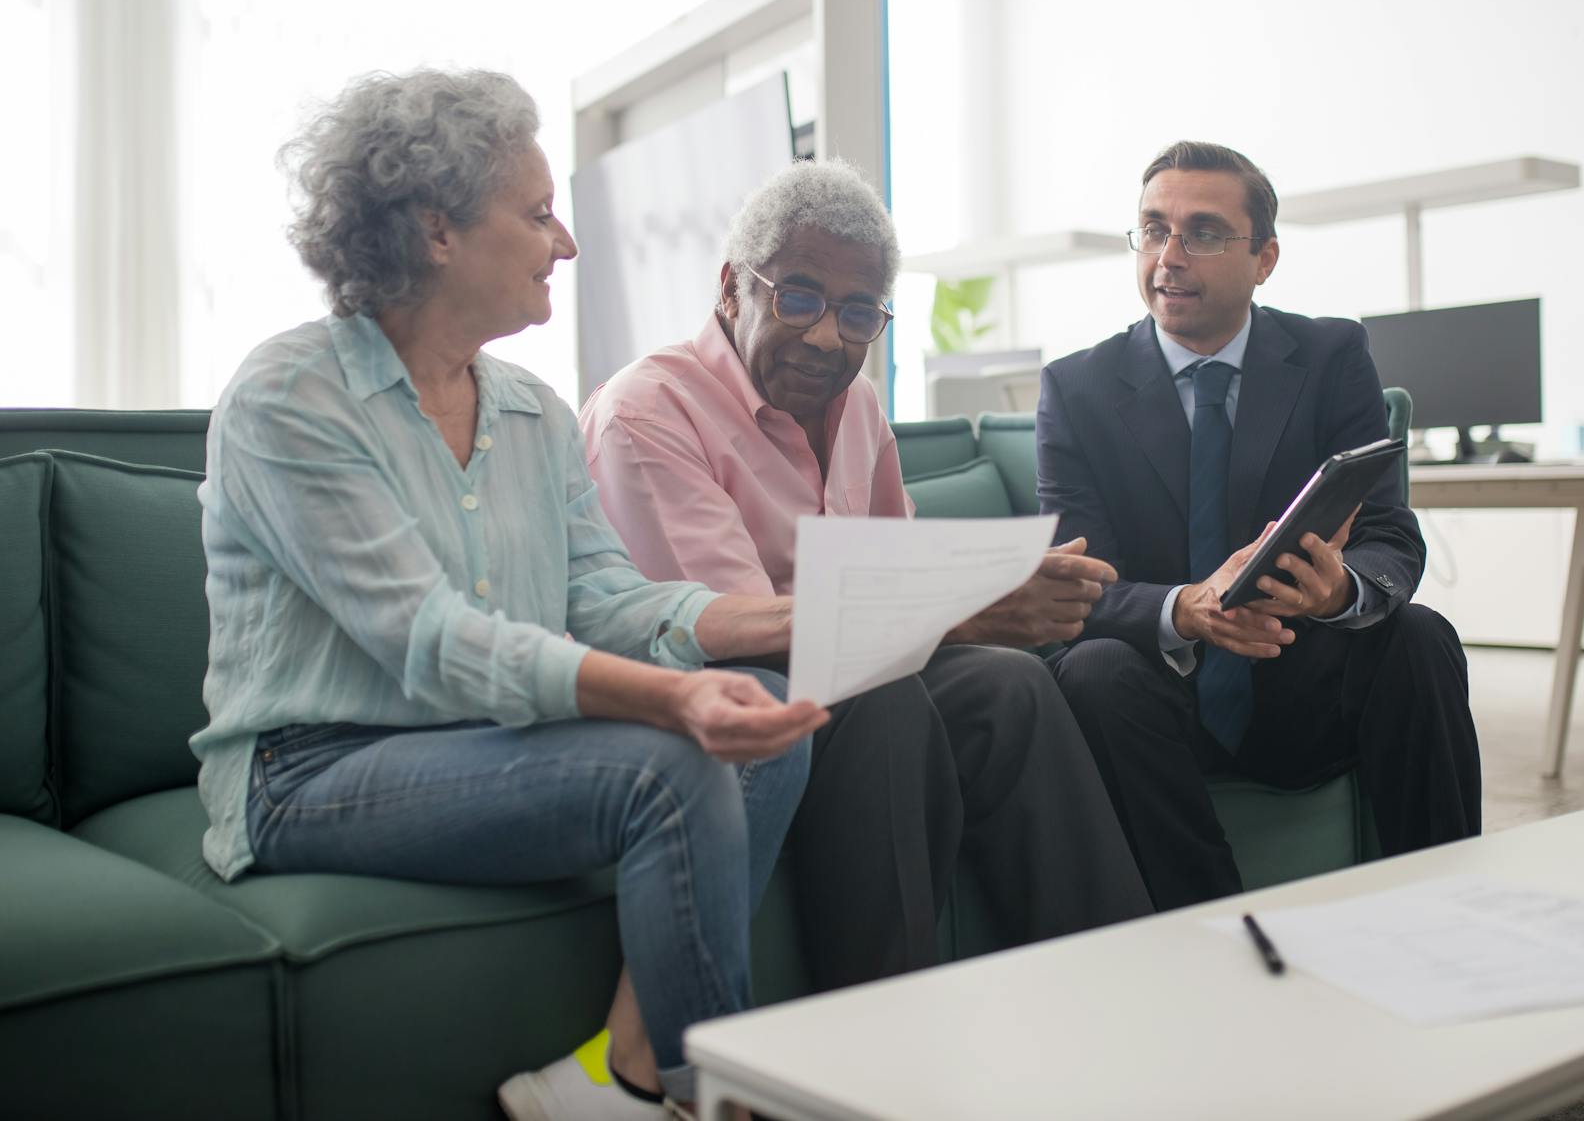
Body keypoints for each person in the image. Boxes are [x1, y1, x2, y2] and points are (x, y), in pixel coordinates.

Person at [192, 68, 825, 1121]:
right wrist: (668, 699)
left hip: (480, 741)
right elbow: (432, 637)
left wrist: (792, 619)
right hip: (310, 768)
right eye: (536, 214)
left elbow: (610, 598)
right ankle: (710, 1098)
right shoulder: (287, 396)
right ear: (437, 230)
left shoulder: (530, 409)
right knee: (674, 760)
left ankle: (612, 1079)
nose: (564, 243)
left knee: (770, 725)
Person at [578, 158, 1153, 992]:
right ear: (734, 286)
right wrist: (975, 606)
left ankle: (1118, 986)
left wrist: (993, 594)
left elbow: (899, 569)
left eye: (858, 313)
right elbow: (735, 627)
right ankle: (879, 1028)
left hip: (847, 675)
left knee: (1012, 687)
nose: (827, 337)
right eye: (800, 297)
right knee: (883, 699)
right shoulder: (647, 411)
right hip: (721, 697)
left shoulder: (859, 407)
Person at [1038, 140, 1481, 912]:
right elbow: (1075, 588)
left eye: (1203, 233)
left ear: (1265, 257)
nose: (1169, 257)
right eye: (1152, 230)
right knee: (1093, 671)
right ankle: (1216, 934)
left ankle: (1446, 909)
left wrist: (1338, 589)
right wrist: (1184, 609)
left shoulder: (1331, 353)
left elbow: (1390, 539)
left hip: (1304, 677)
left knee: (1421, 636)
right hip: (1157, 701)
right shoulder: (1075, 389)